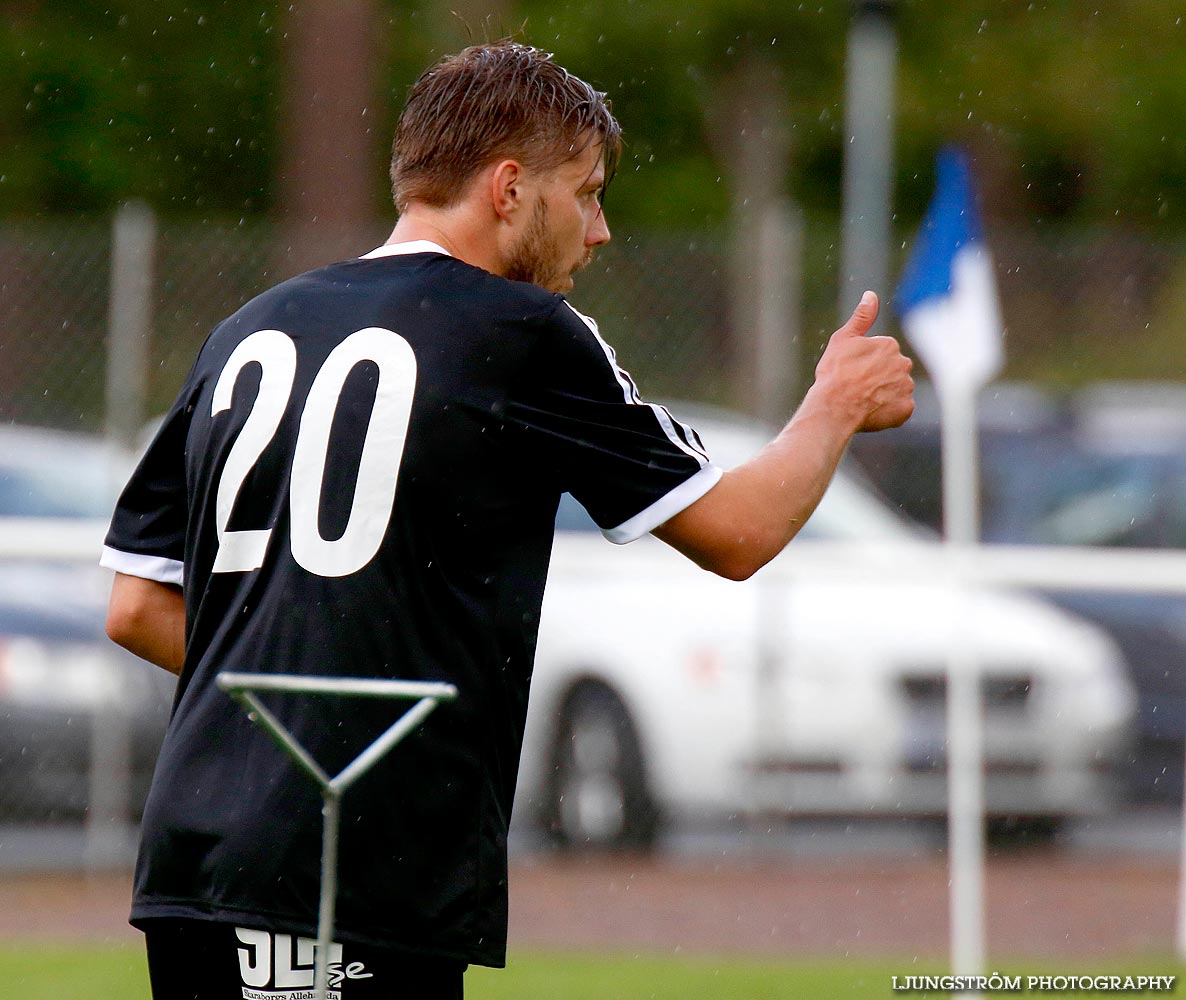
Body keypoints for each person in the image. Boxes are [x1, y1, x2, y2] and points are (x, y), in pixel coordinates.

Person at [102, 40, 913, 1000]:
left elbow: (137, 608)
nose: (599, 230)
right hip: (359, 861)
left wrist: (298, 695)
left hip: (196, 856)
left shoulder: (249, 327)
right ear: (510, 187)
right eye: (588, 191)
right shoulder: (519, 333)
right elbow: (738, 534)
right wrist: (835, 404)